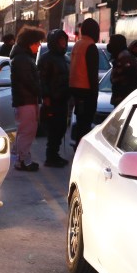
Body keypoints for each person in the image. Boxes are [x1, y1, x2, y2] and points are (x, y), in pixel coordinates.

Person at [10, 25, 46, 171]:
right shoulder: (23, 59)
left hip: (26, 99)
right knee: (27, 130)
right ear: (30, 42)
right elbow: (29, 81)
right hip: (26, 100)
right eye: (37, 43)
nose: (38, 46)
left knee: (25, 130)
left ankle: (22, 157)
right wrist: (41, 91)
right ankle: (23, 160)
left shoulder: (23, 57)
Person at [38, 28, 71, 168]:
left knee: (62, 128)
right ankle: (50, 157)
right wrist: (46, 97)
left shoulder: (65, 58)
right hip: (52, 100)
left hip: (64, 99)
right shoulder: (46, 58)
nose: (63, 43)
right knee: (54, 129)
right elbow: (42, 80)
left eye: (65, 40)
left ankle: (55, 154)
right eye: (60, 40)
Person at [69, 18, 100, 147]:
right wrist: (95, 93)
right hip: (87, 90)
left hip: (75, 89)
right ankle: (81, 150)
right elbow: (92, 73)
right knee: (85, 125)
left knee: (80, 123)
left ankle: (77, 146)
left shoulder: (78, 44)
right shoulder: (91, 47)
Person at [108, 33, 137, 107]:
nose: (109, 46)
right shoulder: (124, 57)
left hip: (123, 100)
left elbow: (116, 79)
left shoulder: (124, 58)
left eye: (111, 43)